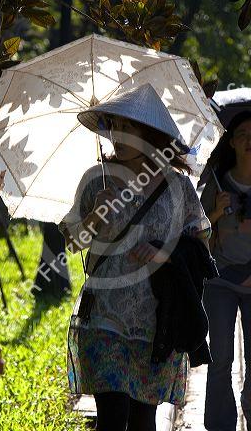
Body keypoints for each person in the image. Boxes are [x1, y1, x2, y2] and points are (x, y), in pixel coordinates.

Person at [59, 84, 212, 431]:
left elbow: (201, 245)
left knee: (143, 420)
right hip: (103, 319)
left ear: (151, 134)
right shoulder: (95, 181)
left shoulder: (179, 188)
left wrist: (164, 255)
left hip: (157, 323)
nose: (119, 135)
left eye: (129, 127)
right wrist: (93, 217)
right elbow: (73, 243)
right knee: (112, 418)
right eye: (115, 126)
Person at [201, 111, 251, 431]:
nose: (250, 140)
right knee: (220, 359)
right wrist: (215, 214)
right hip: (220, 282)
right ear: (231, 142)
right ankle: (221, 425)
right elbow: (197, 238)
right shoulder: (217, 184)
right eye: (243, 134)